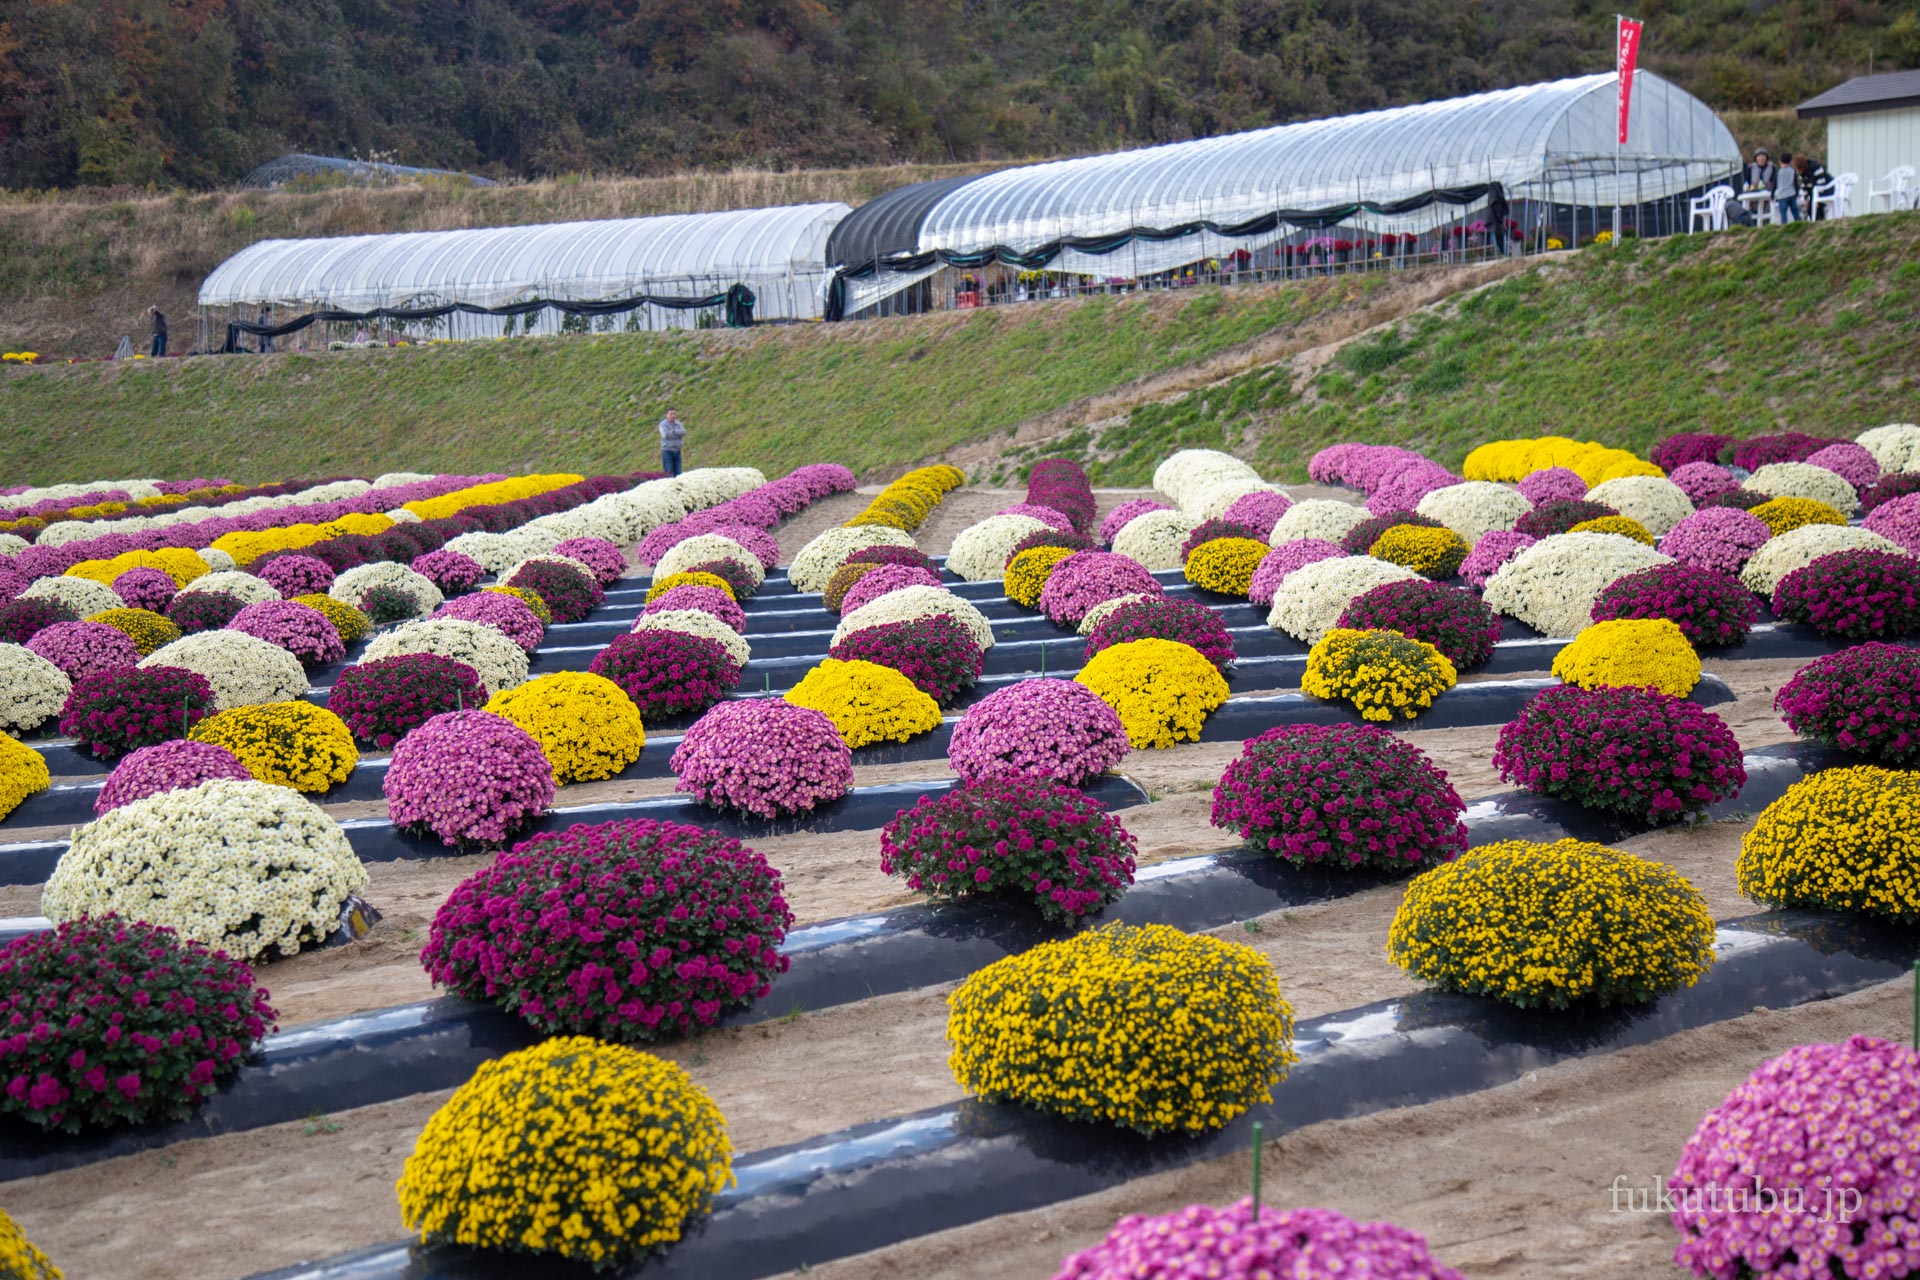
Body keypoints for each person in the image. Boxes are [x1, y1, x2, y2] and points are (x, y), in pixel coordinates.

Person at [658, 408, 686, 477]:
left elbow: (684, 432)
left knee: (678, 473)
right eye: (670, 414)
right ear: (666, 415)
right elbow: (666, 435)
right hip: (668, 451)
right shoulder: (663, 424)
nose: (673, 416)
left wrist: (673, 431)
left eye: (674, 414)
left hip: (677, 451)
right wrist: (678, 435)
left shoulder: (678, 423)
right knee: (669, 472)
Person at [1772, 154, 1800, 222]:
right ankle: (1799, 223)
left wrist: (1772, 194)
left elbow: (1775, 184)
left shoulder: (1778, 172)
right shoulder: (1793, 171)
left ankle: (1784, 225)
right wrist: (1797, 192)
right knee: (1795, 211)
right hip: (1792, 193)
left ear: (1780, 161)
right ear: (1790, 161)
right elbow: (1796, 183)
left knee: (1783, 212)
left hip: (1782, 195)